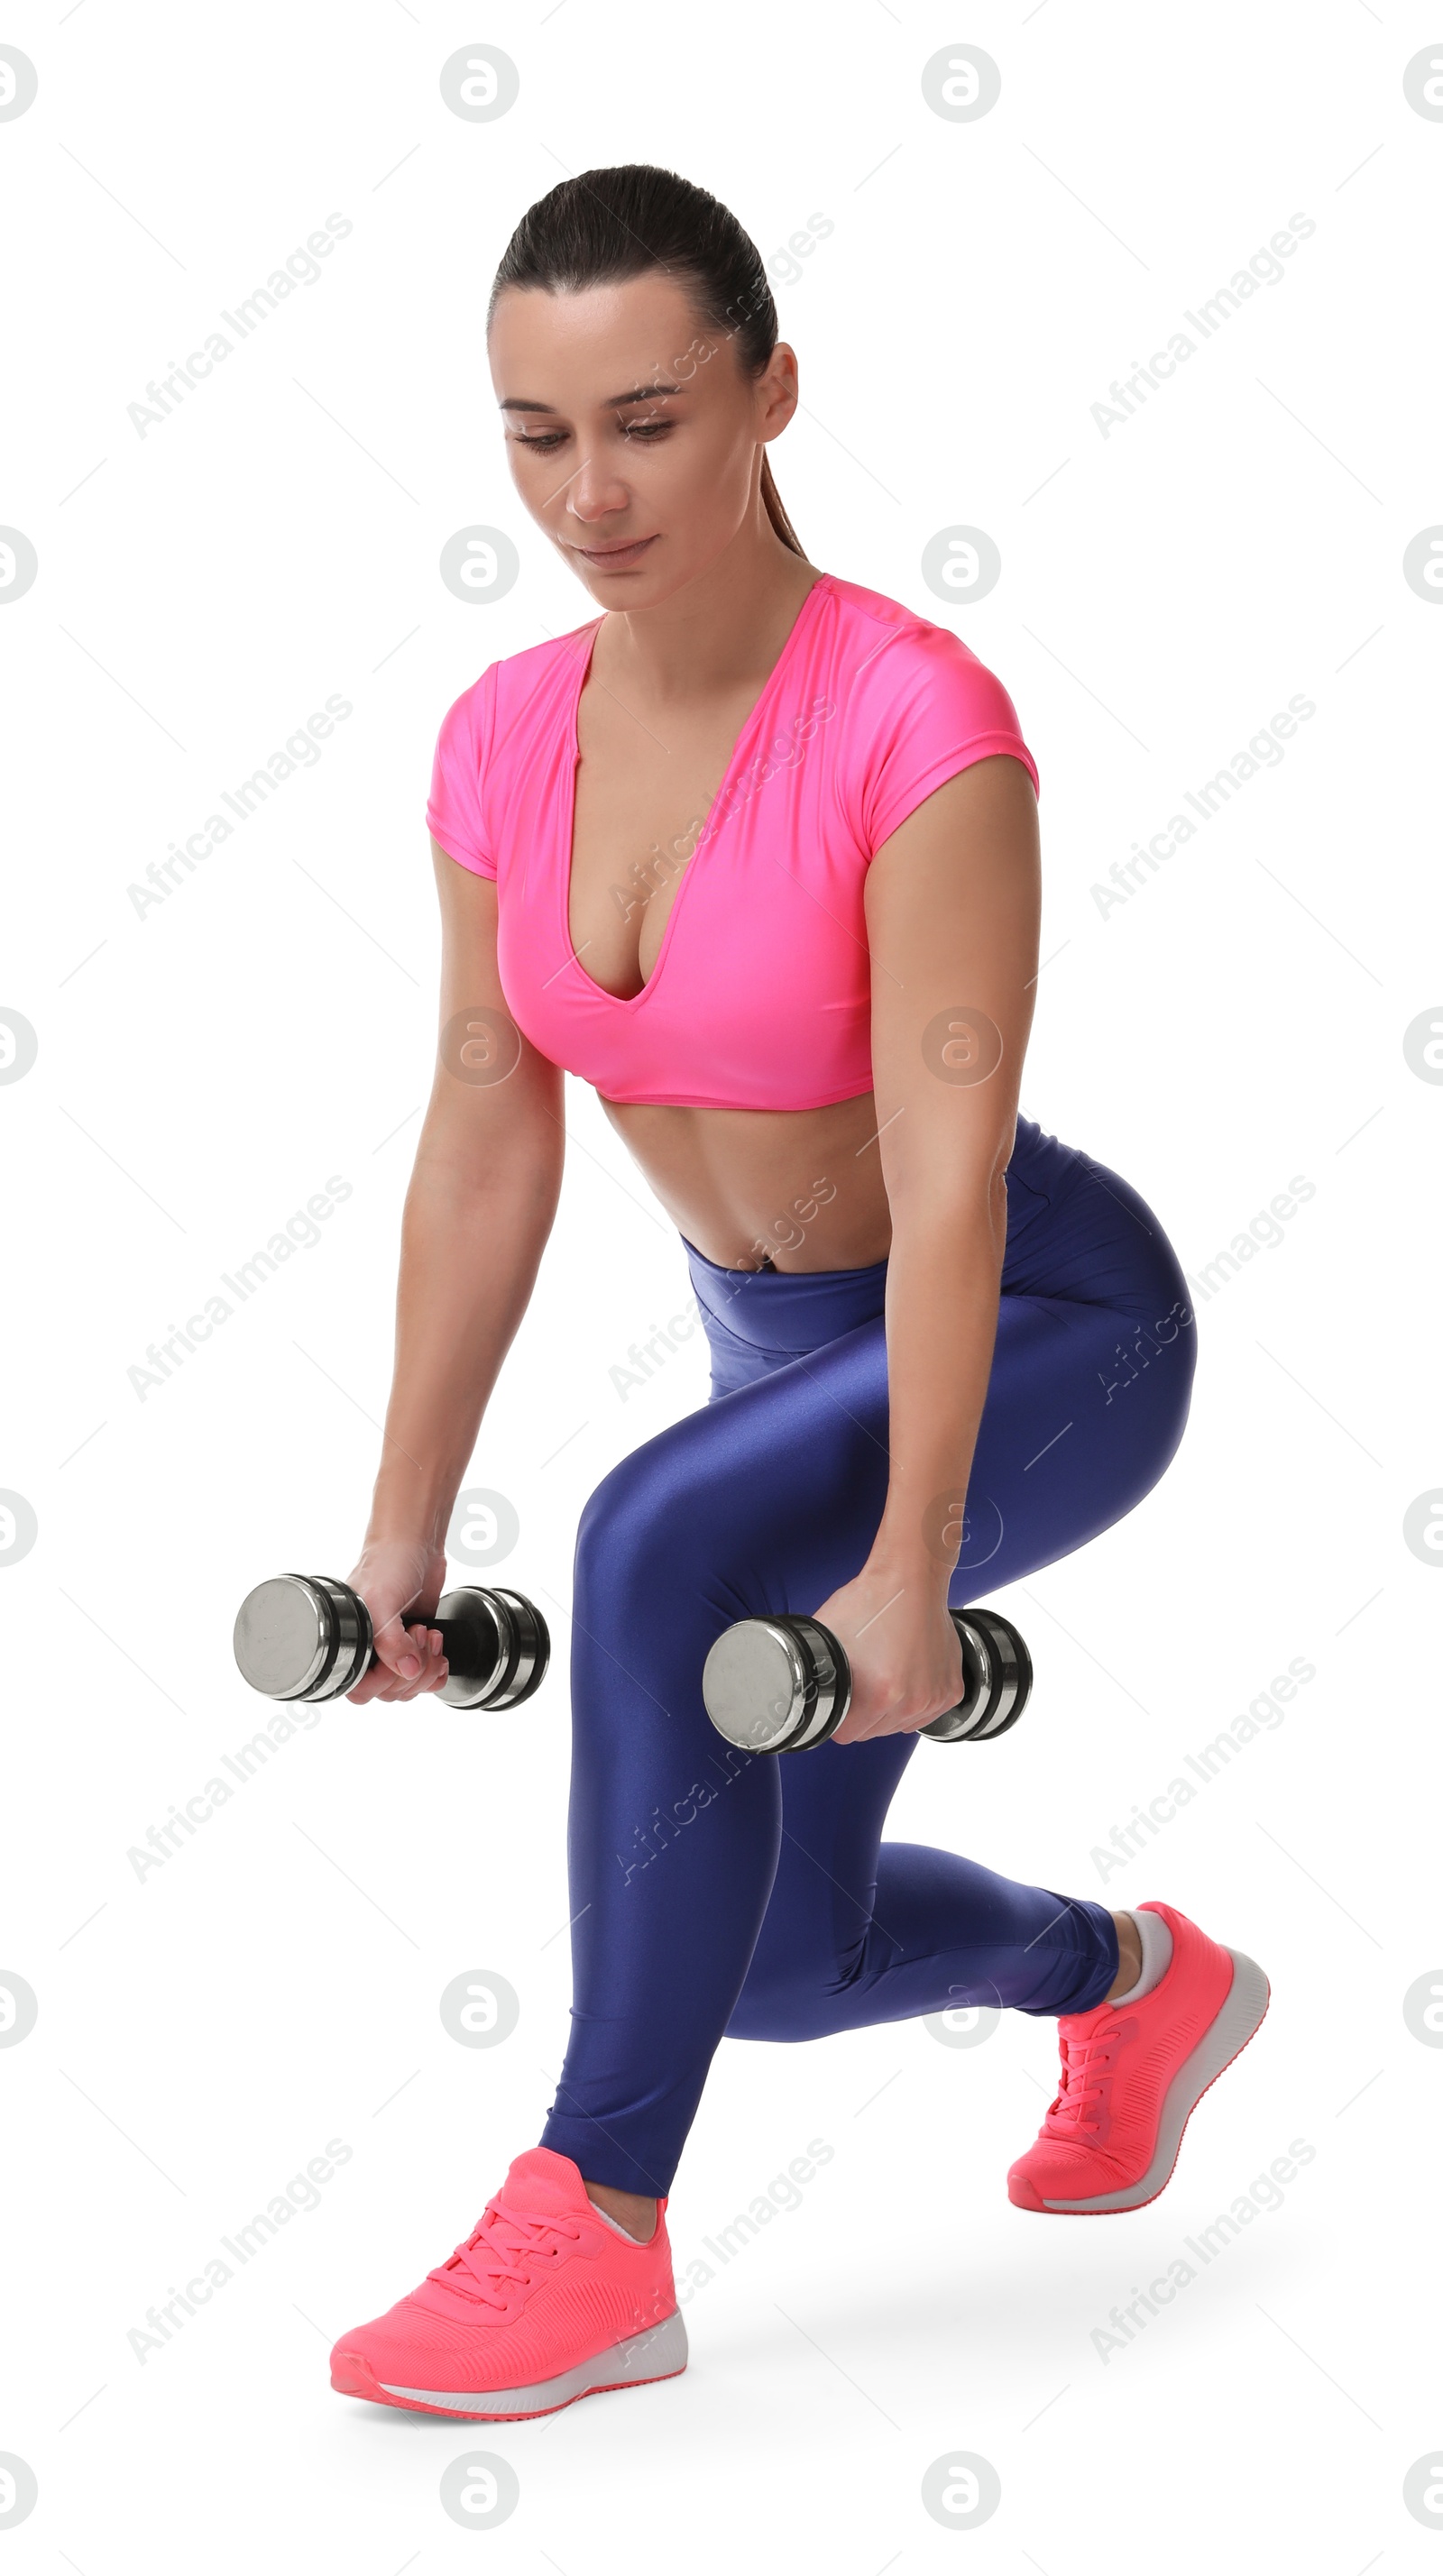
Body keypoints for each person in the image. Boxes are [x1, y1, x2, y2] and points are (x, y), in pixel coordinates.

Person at [327, 164, 1268, 2424]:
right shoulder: (496, 737)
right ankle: (1130, 1981)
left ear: (769, 393)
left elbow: (945, 1186)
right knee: (765, 1953)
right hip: (788, 1353)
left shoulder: (912, 720)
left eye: (645, 419)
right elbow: (485, 1143)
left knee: (654, 1533)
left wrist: (911, 1565)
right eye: (536, 437)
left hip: (1043, 1326)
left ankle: (595, 2222)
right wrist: (399, 1535)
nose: (590, 492)